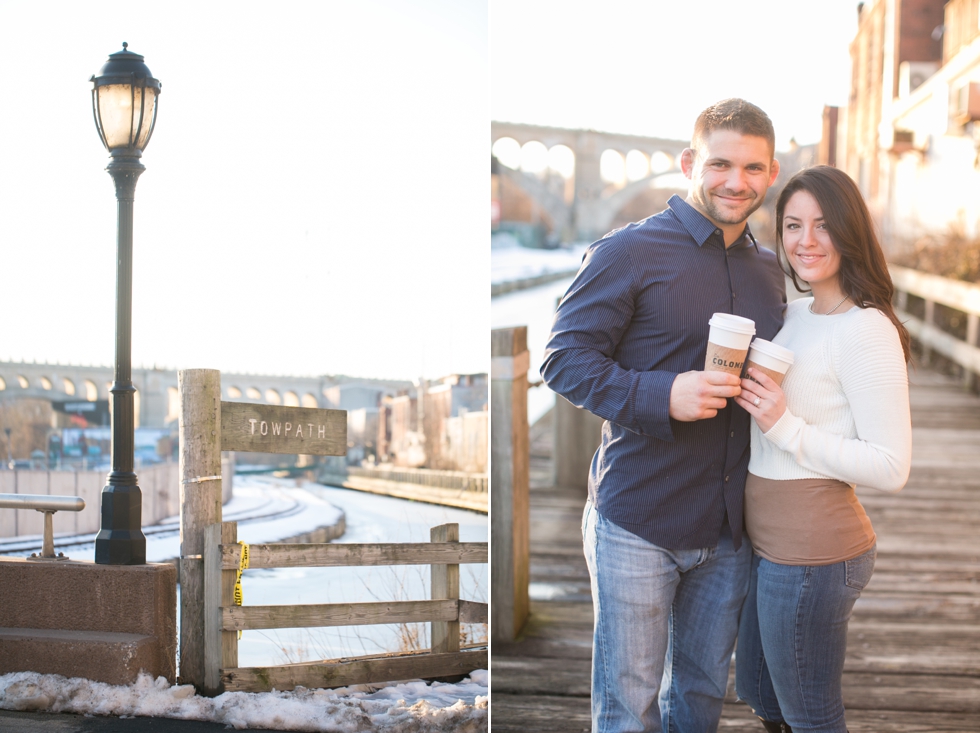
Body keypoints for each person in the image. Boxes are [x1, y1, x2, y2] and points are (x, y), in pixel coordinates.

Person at [540, 98, 785, 732]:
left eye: (753, 168)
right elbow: (564, 362)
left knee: (699, 700)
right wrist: (662, 395)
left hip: (731, 530)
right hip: (638, 520)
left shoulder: (769, 269)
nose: (737, 182)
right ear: (688, 163)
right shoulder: (627, 252)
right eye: (721, 164)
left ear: (772, 173)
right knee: (628, 707)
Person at [733, 165, 912, 733]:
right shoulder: (795, 313)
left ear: (849, 231)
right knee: (762, 694)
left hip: (814, 555)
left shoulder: (866, 329)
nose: (805, 241)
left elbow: (891, 465)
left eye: (822, 225)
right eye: (792, 225)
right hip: (765, 547)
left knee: (810, 717)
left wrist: (786, 426)